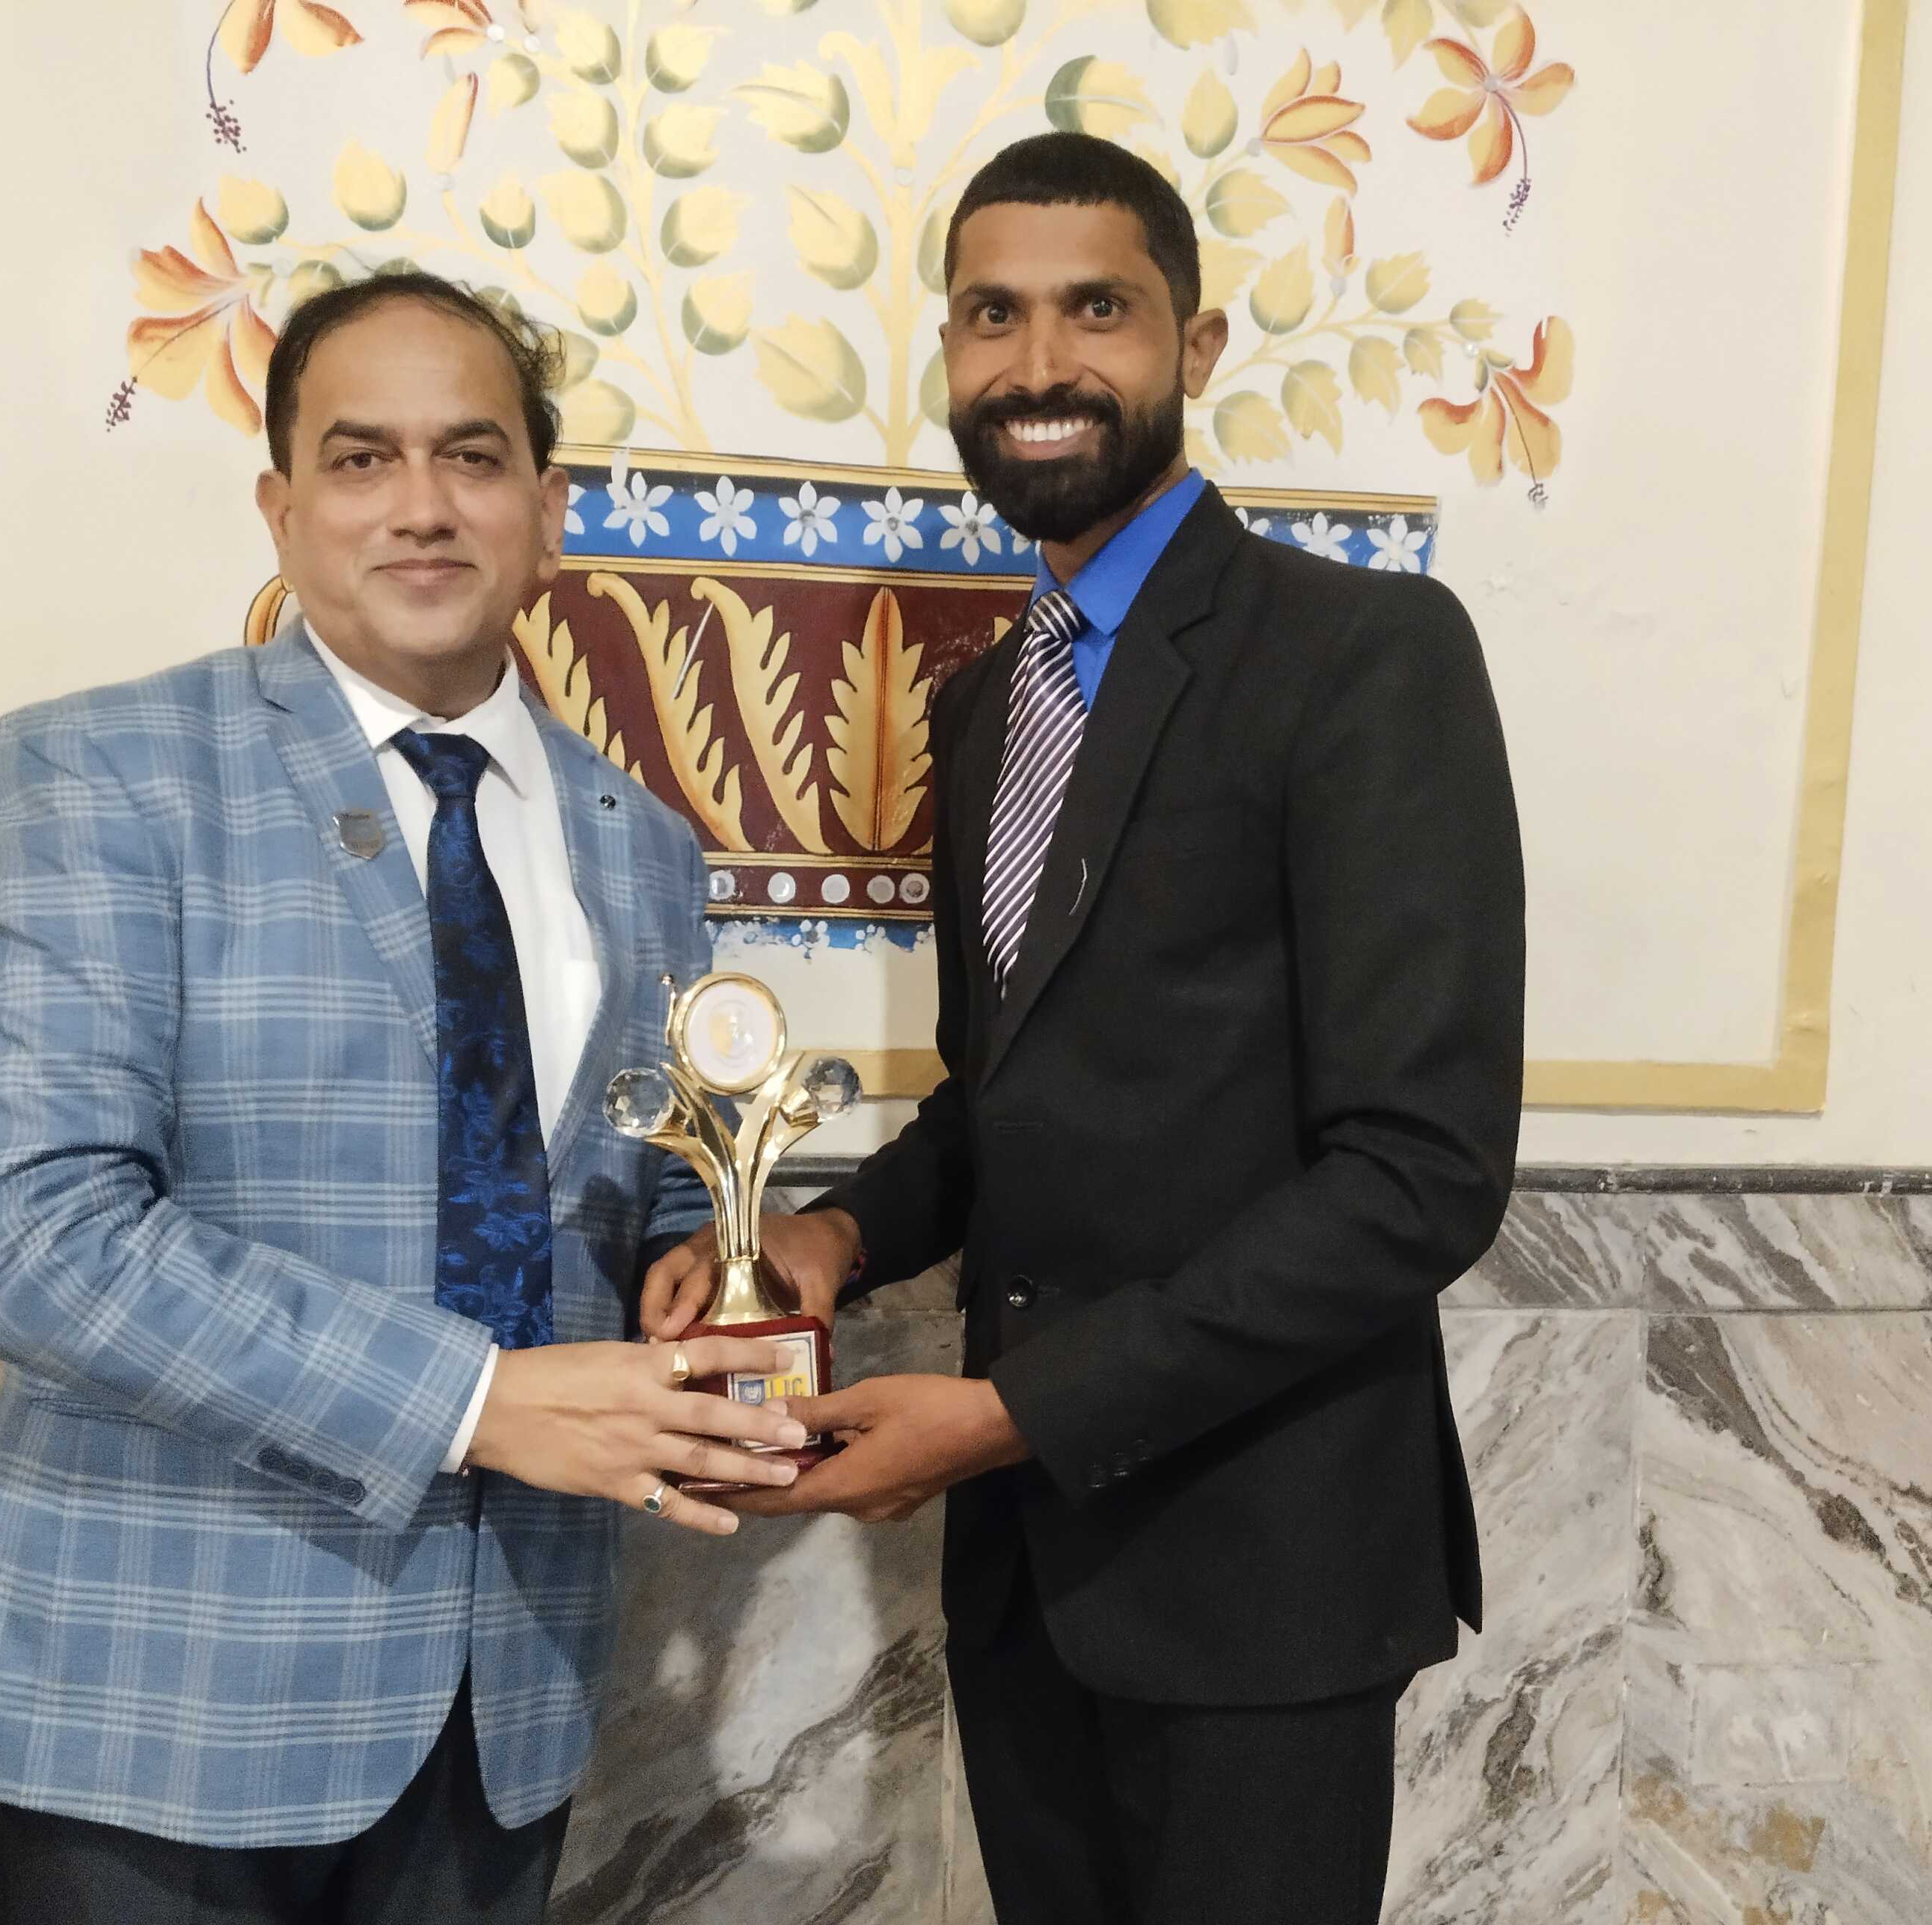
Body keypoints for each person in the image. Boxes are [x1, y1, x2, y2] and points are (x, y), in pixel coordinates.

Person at [643, 131, 1527, 1925]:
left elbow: (1418, 1176)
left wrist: (1007, 1416)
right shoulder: (990, 705)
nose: (1039, 363)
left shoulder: (1365, 654)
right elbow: (1004, 1095)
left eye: (1095, 311)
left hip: (1265, 1572)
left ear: (1192, 348)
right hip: (1032, 1580)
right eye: (993, 317)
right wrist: (830, 1235)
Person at [0, 271, 809, 1925]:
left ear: (548, 509)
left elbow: (644, 1185)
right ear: (282, 509)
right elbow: (35, 1240)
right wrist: (481, 1403)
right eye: (360, 458)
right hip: (149, 1700)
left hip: (505, 1709)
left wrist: (714, 1273)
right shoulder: (105, 771)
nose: (421, 506)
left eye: (472, 456)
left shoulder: (644, 849)